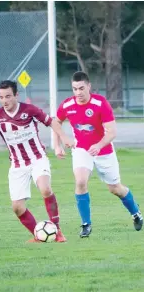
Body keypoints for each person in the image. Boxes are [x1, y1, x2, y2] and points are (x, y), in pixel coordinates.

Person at [0, 80, 74, 243]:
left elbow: (52, 122)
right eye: (1, 97)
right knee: (17, 208)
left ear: (16, 95)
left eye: (8, 96)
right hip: (17, 165)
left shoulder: (29, 110)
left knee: (45, 189)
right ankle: (39, 236)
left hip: (37, 159)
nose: (5, 101)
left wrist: (64, 138)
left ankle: (57, 231)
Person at [53, 71, 143, 238]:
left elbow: (112, 132)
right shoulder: (67, 105)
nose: (78, 92)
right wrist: (58, 144)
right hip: (81, 149)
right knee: (80, 181)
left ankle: (136, 213)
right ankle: (86, 224)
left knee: (115, 188)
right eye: (74, 89)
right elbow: (55, 122)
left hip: (104, 150)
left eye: (81, 88)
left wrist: (99, 144)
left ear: (89, 86)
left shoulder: (100, 104)